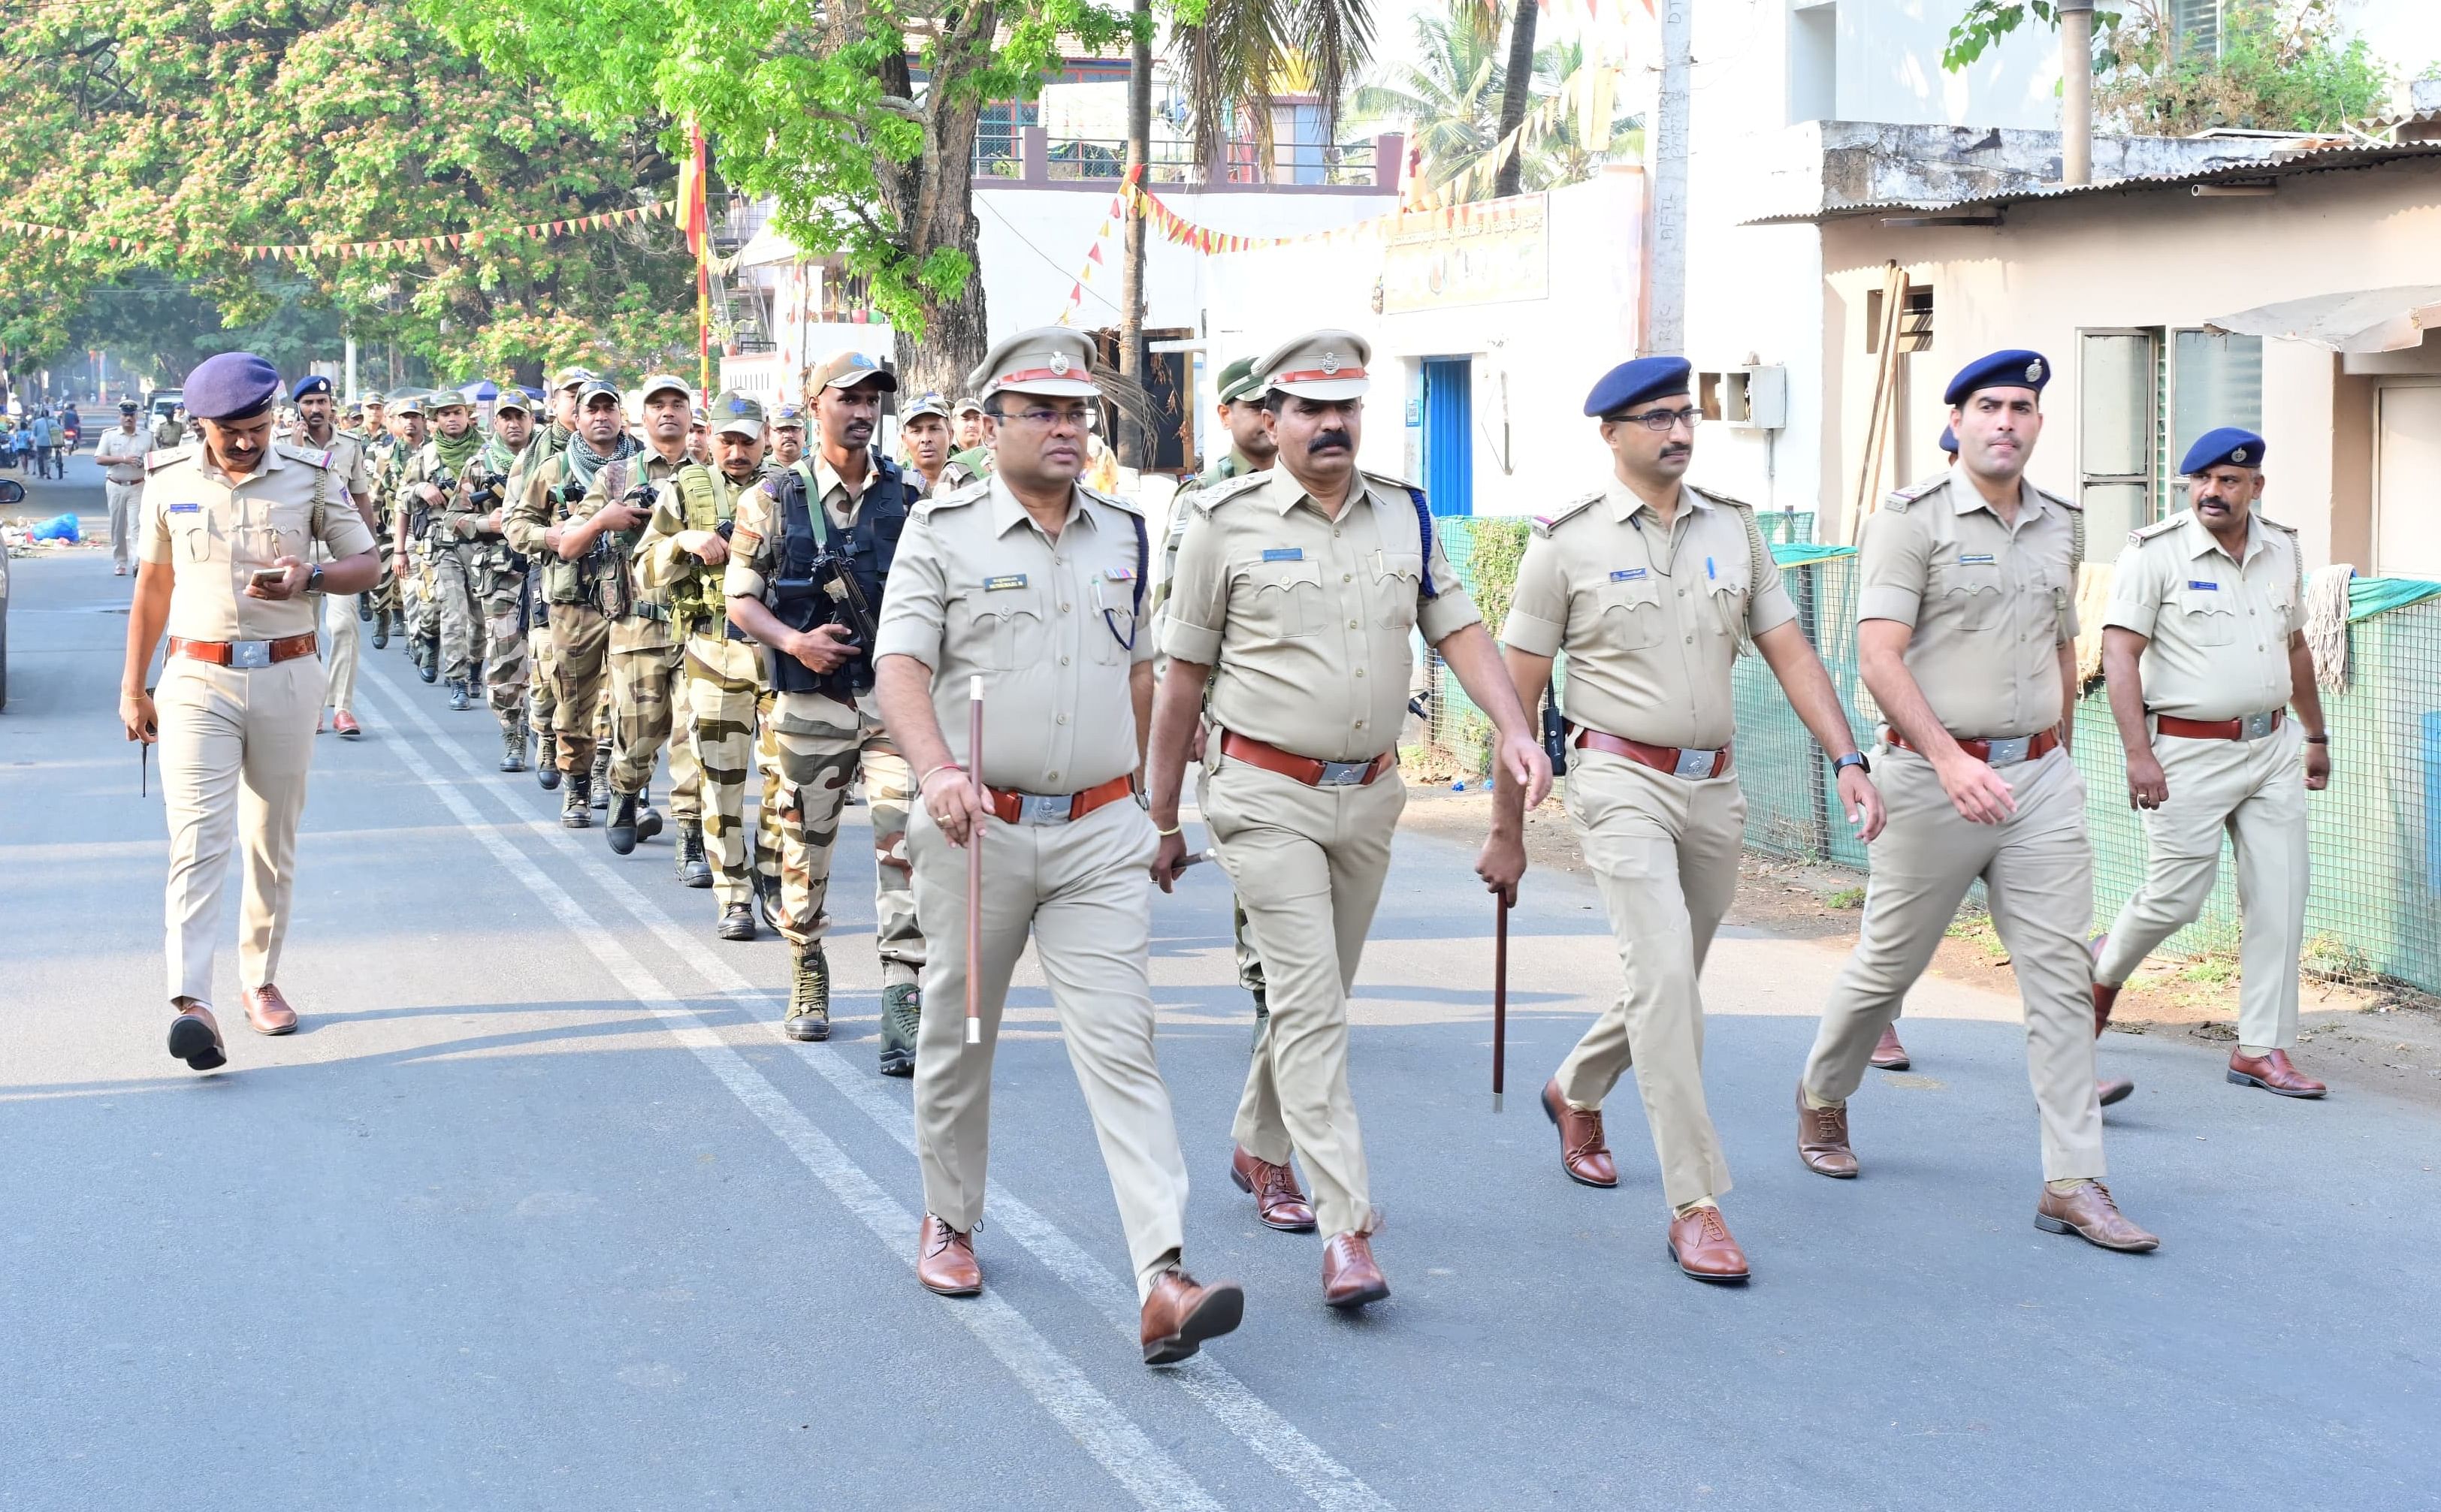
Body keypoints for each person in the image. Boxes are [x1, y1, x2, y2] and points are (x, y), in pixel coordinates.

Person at [1145, 328, 1552, 1308]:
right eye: (1310, 410)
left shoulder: (1403, 516)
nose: (1331, 426)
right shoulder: (1220, 522)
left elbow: (1453, 624)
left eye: (1347, 408)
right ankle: (1346, 1226)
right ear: (1271, 420)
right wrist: (1161, 813)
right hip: (1259, 790)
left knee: (1317, 991)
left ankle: (1257, 1139)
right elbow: (1181, 680)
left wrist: (1513, 727)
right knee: (1314, 1001)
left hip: (1369, 792)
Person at [872, 324, 1243, 1363]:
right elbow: (900, 665)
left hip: (1097, 832)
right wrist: (938, 768)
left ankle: (1163, 1275)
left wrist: (1157, 806)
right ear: (989, 426)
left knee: (1124, 1044)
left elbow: (1140, 674)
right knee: (963, 1029)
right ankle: (950, 1216)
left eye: (1078, 411)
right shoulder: (940, 532)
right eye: (1043, 410)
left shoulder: (1125, 534)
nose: (1068, 427)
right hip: (977, 829)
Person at [1474, 357, 1887, 1283]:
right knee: (1665, 979)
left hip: (1716, 788)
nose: (1680, 430)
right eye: (1657, 417)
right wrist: (1504, 829)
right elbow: (1516, 697)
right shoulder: (1565, 546)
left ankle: (1575, 1086)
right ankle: (1696, 1204)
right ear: (1612, 434)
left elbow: (1790, 651)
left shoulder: (1736, 531)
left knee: (1673, 980)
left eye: (1685, 414)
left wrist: (1848, 758)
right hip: (1617, 779)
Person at [1793, 349, 2158, 1254]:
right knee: (1888, 964)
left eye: (2023, 408)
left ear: (2038, 424)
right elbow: (1879, 656)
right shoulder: (1909, 523)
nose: (2007, 421)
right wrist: (1950, 758)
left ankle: (2075, 1180)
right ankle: (1825, 1094)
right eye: (1989, 406)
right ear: (1955, 422)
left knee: (2061, 984)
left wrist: (2061, 759)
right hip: (1928, 781)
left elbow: (2056, 651)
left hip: (2037, 782)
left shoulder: (2062, 526)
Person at [117, 352, 380, 1070]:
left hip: (289, 676)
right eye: (229, 430)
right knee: (198, 838)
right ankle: (189, 1000)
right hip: (195, 678)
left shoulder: (312, 476)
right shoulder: (167, 482)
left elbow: (368, 563)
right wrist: (132, 686)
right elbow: (152, 588)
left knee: (270, 839)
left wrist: (314, 575)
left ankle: (258, 981)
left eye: (257, 427)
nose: (244, 441)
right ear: (200, 423)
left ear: (274, 419)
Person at [2095, 427, 2331, 1097]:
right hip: (2185, 751)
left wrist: (2315, 736)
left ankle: (2261, 1047)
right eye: (2200, 480)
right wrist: (2137, 754)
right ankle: (2098, 975)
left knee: (2280, 897)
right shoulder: (2154, 553)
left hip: (2273, 747)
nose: (2212, 492)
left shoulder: (2281, 545)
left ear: (2255, 486)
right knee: (2175, 898)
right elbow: (2118, 655)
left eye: (2229, 481)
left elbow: (2294, 648)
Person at [724, 349, 929, 1059]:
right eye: (848, 396)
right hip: (810, 702)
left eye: (873, 398)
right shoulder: (772, 498)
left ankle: (903, 993)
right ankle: (806, 965)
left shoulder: (907, 500)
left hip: (893, 705)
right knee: (803, 844)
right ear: (815, 405)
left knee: (907, 844)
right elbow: (740, 598)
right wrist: (796, 641)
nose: (863, 409)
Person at [1150, 354, 1280, 1073]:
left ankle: (1293, 994)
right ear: (1226, 416)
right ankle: (1267, 999)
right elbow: (1171, 612)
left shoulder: (1319, 487)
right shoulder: (1202, 499)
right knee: (1255, 861)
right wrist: (1184, 709)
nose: (1267, 415)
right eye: (1252, 405)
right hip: (1230, 705)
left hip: (1301, 711)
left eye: (1274, 402)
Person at [636, 390, 778, 931]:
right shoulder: (685, 490)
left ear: (765, 437)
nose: (737, 450)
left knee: (785, 779)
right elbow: (644, 570)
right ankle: (734, 895)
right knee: (719, 782)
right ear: (709, 438)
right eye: (727, 440)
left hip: (778, 653)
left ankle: (768, 870)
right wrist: (684, 543)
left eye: (748, 439)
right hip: (713, 649)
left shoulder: (788, 489)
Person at [507, 379, 642, 820]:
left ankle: (616, 778)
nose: (602, 417)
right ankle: (577, 783)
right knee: (575, 699)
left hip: (634, 597)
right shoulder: (554, 468)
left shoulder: (643, 463)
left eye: (610, 409)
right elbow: (517, 524)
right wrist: (549, 534)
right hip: (574, 598)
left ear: (621, 415)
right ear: (577, 418)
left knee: (635, 698)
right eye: (592, 410)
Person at [589, 376, 702, 854]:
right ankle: (623, 788)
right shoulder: (616, 475)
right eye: (658, 404)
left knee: (694, 735)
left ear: (692, 416)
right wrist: (606, 517)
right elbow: (578, 536)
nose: (669, 412)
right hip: (638, 623)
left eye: (678, 403)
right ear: (643, 416)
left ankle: (691, 838)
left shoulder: (714, 473)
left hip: (700, 625)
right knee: (638, 736)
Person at [511, 368, 596, 788]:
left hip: (620, 593)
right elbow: (517, 520)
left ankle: (602, 777)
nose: (588, 405)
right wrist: (549, 535)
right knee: (553, 679)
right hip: (556, 583)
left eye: (598, 399)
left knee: (620, 696)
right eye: (576, 396)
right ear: (560, 403)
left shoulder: (632, 455)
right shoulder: (540, 459)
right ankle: (548, 736)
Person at [289, 376, 378, 738]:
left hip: (340, 551)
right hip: (297, 551)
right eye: (308, 403)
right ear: (298, 407)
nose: (315, 410)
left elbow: (360, 499)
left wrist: (371, 551)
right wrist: (294, 450)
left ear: (331, 406)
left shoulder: (350, 446)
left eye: (321, 403)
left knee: (343, 627)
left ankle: (342, 707)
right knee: (304, 633)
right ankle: (312, 707)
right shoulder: (281, 444)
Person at [394, 391, 491, 699]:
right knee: (450, 611)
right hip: (442, 546)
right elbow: (401, 501)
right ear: (435, 420)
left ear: (468, 416)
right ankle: (457, 678)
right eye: (445, 414)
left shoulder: (489, 452)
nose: (452, 419)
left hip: (483, 544)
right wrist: (421, 488)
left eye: (457, 412)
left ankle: (475, 666)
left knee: (479, 616)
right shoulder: (425, 458)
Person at [467, 388, 539, 768]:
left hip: (544, 568)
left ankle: (545, 729)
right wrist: (485, 522)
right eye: (506, 417)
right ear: (496, 422)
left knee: (549, 657)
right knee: (506, 655)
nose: (513, 424)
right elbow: (452, 519)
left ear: (531, 420)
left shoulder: (548, 460)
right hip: (499, 573)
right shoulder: (479, 465)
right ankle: (513, 732)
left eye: (520, 417)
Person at [98, 400, 152, 577]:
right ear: (120, 417)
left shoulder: (147, 436)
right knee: (118, 526)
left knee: (137, 526)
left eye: (131, 415)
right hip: (116, 485)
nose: (128, 418)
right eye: (125, 415)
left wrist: (144, 462)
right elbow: (99, 459)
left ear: (137, 416)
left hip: (138, 485)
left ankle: (138, 562)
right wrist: (123, 459)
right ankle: (120, 562)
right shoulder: (109, 436)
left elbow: (156, 459)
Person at [898, 391, 967, 496]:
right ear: (904, 440)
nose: (926, 439)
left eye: (934, 429)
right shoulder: (893, 484)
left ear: (950, 435)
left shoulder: (970, 479)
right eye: (916, 431)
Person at [947, 397, 992, 481]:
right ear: (953, 423)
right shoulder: (945, 452)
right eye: (965, 419)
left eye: (977, 419)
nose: (972, 424)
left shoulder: (992, 453)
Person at [769, 403, 807, 468]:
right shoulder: (759, 469)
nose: (789, 435)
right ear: (769, 434)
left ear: (804, 432)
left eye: (795, 429)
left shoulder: (817, 468)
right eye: (781, 430)